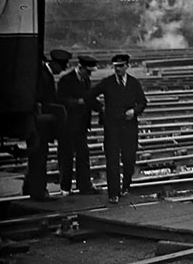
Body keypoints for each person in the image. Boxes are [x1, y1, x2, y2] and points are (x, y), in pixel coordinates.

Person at [87, 54, 147, 204]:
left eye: (121, 66)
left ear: (127, 66)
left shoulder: (134, 83)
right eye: (115, 67)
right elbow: (89, 96)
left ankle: (125, 187)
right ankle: (113, 193)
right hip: (112, 127)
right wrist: (101, 109)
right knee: (112, 161)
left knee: (129, 160)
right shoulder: (107, 83)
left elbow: (142, 101)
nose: (118, 69)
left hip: (129, 127)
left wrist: (134, 111)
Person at [23, 50, 69, 200]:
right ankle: (38, 191)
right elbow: (41, 100)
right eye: (62, 66)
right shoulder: (43, 76)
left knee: (36, 155)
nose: (62, 70)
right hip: (39, 124)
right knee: (39, 156)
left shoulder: (44, 74)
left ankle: (30, 186)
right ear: (54, 64)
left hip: (38, 122)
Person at [56, 55, 100, 195]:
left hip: (81, 125)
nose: (90, 74)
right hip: (67, 125)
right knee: (66, 156)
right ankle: (65, 187)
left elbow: (89, 99)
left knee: (83, 154)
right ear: (80, 68)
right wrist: (78, 102)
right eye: (88, 71)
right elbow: (60, 100)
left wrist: (101, 107)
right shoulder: (66, 80)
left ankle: (84, 185)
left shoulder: (86, 80)